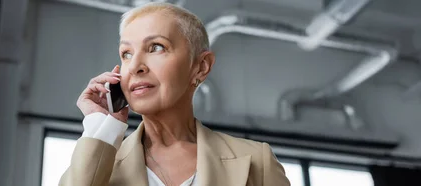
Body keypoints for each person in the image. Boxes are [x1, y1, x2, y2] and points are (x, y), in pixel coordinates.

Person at [60, 2, 290, 186]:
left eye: (156, 47)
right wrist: (100, 129)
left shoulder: (257, 162)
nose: (136, 66)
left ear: (201, 66)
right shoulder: (101, 165)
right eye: (126, 53)